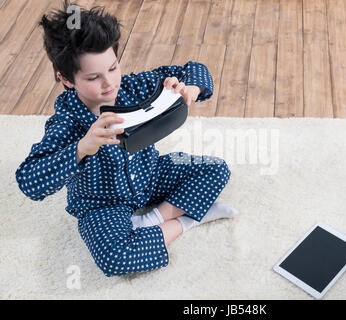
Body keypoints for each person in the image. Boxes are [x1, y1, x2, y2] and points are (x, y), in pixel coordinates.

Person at [15, 0, 238, 277]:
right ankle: (187, 221)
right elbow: (28, 181)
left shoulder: (133, 86)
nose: (109, 83)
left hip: (151, 174)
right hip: (101, 203)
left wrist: (188, 88)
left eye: (112, 68)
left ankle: (155, 219)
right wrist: (82, 147)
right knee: (116, 260)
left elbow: (195, 68)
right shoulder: (67, 121)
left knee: (216, 169)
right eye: (94, 77)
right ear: (67, 79)